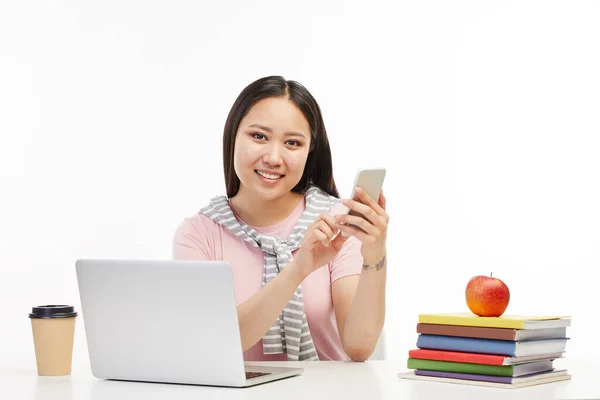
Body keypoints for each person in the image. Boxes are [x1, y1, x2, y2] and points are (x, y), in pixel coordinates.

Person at [173, 76, 388, 362]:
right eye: (259, 136)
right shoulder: (198, 234)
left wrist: (375, 253)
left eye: (292, 142)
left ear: (310, 151)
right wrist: (298, 269)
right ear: (233, 136)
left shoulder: (335, 223)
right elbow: (212, 342)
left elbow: (359, 347)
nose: (274, 157)